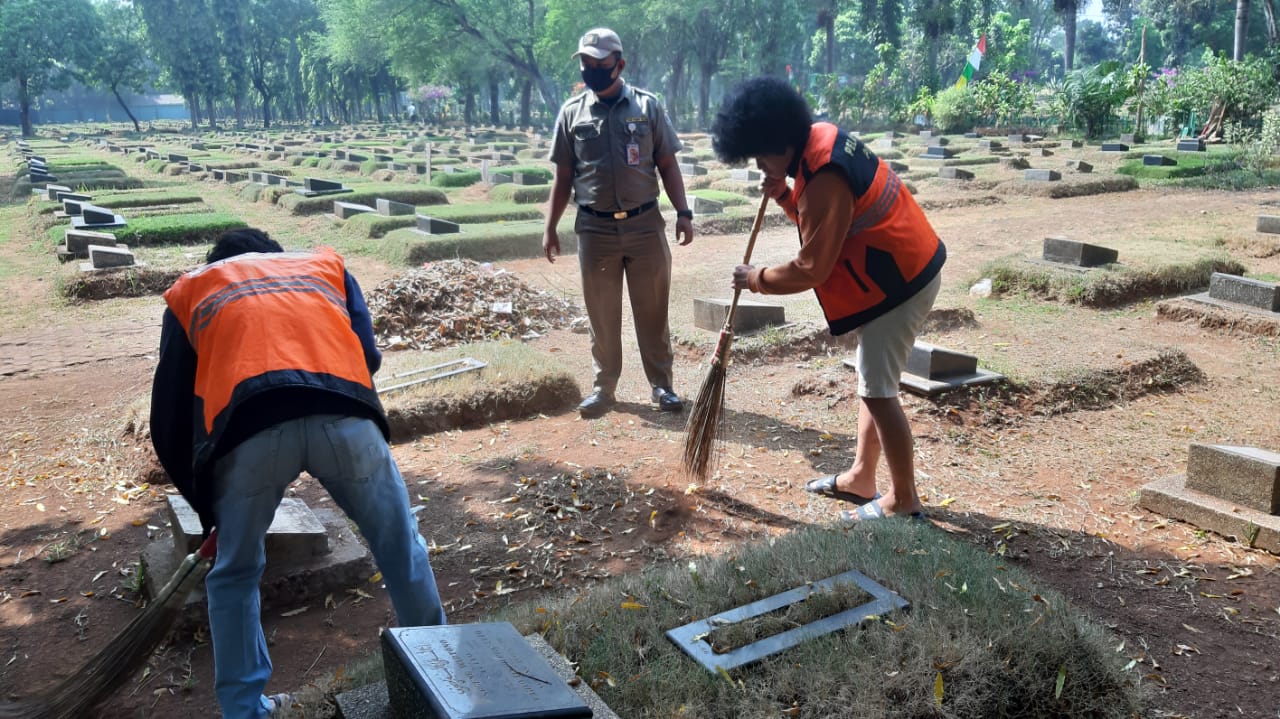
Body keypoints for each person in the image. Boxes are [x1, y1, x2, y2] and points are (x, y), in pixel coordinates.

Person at [150, 229, 446, 718]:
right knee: (399, 545)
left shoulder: (195, 290)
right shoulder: (322, 268)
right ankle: (439, 679)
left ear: (218, 261)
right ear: (274, 257)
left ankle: (245, 711)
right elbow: (367, 357)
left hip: (248, 432)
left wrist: (209, 509)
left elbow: (170, 415)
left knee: (234, 575)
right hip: (344, 414)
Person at [710, 77, 946, 522]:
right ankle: (862, 476)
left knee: (879, 392)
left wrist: (756, 278)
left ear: (779, 141)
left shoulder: (823, 177)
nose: (760, 163)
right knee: (872, 382)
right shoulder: (820, 139)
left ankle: (903, 500)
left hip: (899, 283)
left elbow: (811, 267)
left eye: (761, 153)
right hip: (904, 268)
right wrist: (783, 192)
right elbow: (820, 220)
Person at [542, 27, 694, 419]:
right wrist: (550, 227)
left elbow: (667, 164)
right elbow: (563, 178)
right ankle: (603, 388)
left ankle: (662, 385)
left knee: (653, 309)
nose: (591, 70)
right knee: (601, 313)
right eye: (586, 64)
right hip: (595, 229)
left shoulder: (647, 107)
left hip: (645, 226)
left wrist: (684, 211)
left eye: (600, 64)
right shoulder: (571, 113)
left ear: (619, 64)